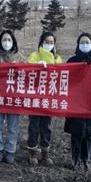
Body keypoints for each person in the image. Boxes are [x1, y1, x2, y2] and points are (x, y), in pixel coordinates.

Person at [64, 33, 91, 171]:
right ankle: (75, 160)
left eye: (87, 42)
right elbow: (66, 82)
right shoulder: (72, 61)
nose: (85, 45)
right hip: (75, 105)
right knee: (76, 134)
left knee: (88, 135)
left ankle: (86, 160)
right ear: (78, 45)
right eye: (82, 42)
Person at [26, 31, 63, 166]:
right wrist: (36, 66)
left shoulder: (57, 58)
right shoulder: (34, 56)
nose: (49, 44)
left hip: (48, 98)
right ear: (41, 42)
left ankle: (45, 152)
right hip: (35, 97)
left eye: (51, 42)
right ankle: (32, 152)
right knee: (33, 126)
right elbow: (27, 70)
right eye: (46, 42)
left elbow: (60, 72)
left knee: (46, 126)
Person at [0, 30, 24, 164]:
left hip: (14, 98)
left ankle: (10, 150)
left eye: (9, 40)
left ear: (13, 42)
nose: (7, 42)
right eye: (4, 40)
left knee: (13, 126)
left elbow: (29, 74)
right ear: (0, 42)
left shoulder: (20, 57)